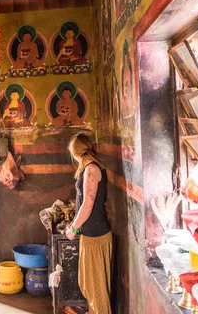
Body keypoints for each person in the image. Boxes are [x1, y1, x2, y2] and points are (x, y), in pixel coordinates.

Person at [66, 133, 112, 314]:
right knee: (89, 286)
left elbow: (88, 204)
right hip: (91, 234)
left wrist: (73, 228)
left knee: (97, 291)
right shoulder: (89, 167)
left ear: (77, 151)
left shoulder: (91, 169)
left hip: (96, 234)